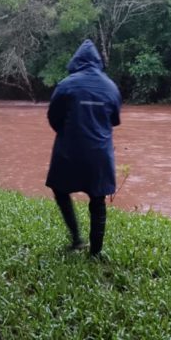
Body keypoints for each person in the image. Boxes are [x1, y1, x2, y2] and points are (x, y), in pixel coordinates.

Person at [45, 39, 121, 258]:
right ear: (98, 62)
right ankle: (96, 252)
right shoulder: (110, 86)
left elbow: (53, 117)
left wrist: (68, 131)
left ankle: (77, 239)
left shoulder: (66, 84)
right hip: (99, 153)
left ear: (76, 61)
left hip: (68, 150)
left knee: (60, 190)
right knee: (98, 200)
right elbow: (114, 120)